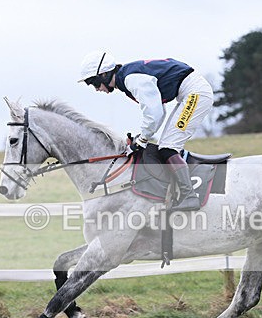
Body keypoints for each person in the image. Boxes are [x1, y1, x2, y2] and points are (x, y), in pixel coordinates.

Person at [78, 51, 214, 211]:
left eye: (94, 83)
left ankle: (189, 196)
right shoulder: (126, 77)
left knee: (168, 147)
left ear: (104, 74)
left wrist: (141, 140)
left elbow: (155, 114)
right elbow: (158, 112)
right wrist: (142, 138)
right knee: (166, 146)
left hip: (194, 93)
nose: (96, 89)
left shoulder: (131, 79)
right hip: (189, 92)